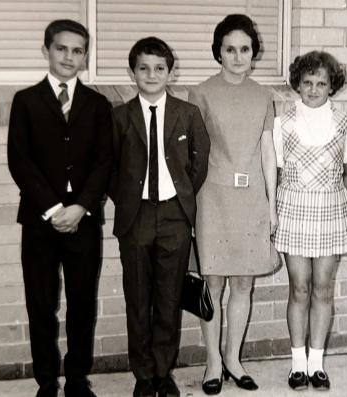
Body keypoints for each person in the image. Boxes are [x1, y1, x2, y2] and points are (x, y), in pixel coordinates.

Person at [6, 19, 112, 397]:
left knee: (82, 303)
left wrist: (81, 207)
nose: (69, 56)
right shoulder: (26, 101)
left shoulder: (97, 104)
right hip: (40, 220)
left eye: (77, 50)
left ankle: (77, 379)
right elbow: (20, 162)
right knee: (42, 302)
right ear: (46, 51)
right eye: (62, 48)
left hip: (83, 220)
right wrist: (53, 208)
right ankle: (47, 381)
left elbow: (104, 163)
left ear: (85, 56)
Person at [108, 37, 210, 397]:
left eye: (159, 68)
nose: (151, 75)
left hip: (173, 217)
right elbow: (110, 169)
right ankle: (143, 375)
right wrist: (129, 201)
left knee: (168, 297)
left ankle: (163, 372)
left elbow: (198, 163)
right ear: (132, 72)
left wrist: (180, 200)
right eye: (143, 68)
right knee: (138, 298)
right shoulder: (119, 117)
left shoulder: (187, 113)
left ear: (171, 72)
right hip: (135, 217)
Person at [188, 13, 278, 396]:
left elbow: (269, 153)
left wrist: (272, 205)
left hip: (253, 197)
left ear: (253, 52)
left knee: (243, 282)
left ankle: (232, 359)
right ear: (218, 52)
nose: (238, 56)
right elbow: (193, 153)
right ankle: (211, 361)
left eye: (244, 49)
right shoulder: (201, 93)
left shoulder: (263, 95)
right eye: (230, 49)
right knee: (213, 283)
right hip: (213, 198)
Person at [272, 51, 347, 391]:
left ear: (331, 86)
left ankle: (316, 365)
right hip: (293, 208)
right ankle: (296, 365)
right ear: (298, 84)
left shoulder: (345, 121)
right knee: (299, 287)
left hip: (330, 211)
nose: (313, 89)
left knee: (323, 288)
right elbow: (276, 172)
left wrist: (333, 197)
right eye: (307, 82)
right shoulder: (283, 122)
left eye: (321, 83)